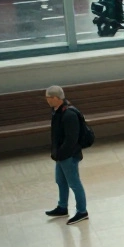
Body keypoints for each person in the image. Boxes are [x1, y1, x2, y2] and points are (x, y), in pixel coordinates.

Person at [44, 86, 89, 225]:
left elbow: (71, 140)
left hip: (68, 156)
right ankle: (62, 207)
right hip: (60, 155)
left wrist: (61, 154)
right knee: (61, 181)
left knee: (74, 183)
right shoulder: (56, 111)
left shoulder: (69, 114)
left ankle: (82, 211)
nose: (47, 100)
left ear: (56, 98)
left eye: (48, 98)